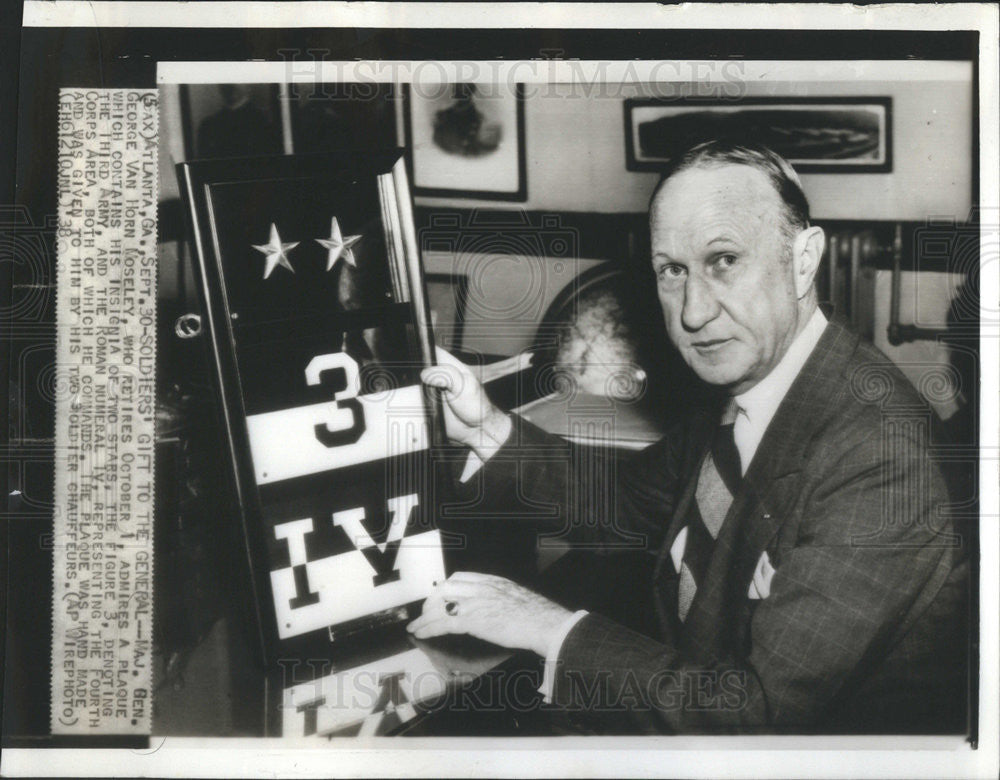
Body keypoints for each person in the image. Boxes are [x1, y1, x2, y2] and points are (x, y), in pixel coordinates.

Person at [407, 140, 969, 734]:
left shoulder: (879, 455)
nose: (694, 312)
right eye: (672, 270)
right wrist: (488, 428)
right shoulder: (748, 386)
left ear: (805, 260)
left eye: (724, 260)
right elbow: (628, 500)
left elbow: (752, 715)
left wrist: (547, 627)